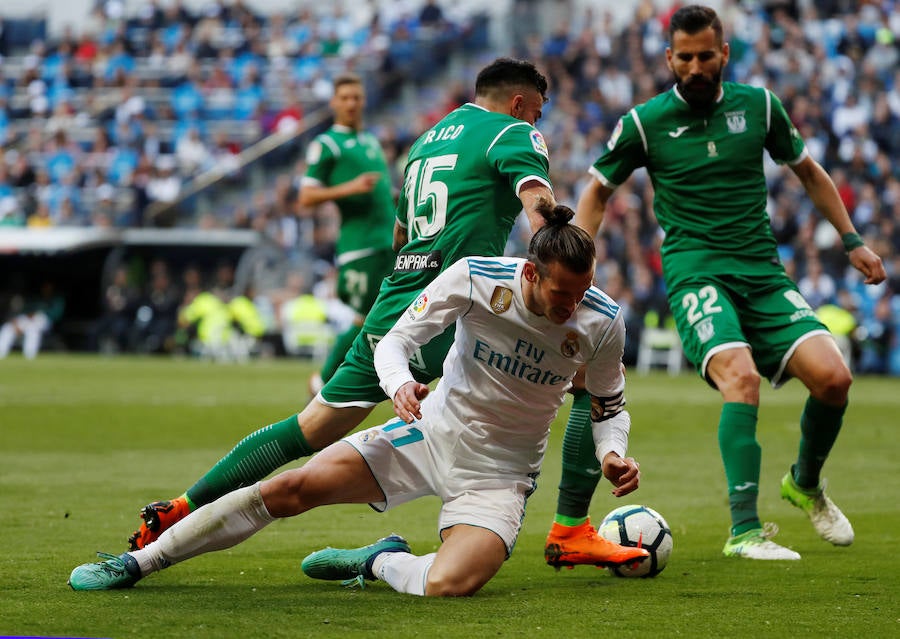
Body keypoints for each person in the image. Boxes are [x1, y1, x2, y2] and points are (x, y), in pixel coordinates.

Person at [127, 58, 637, 570]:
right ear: (519, 104)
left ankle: (183, 506)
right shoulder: (514, 133)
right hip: (458, 306)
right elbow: (539, 207)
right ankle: (570, 528)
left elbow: (400, 235)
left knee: (311, 426)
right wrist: (558, 268)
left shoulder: (428, 140)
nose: (536, 123)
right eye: (537, 114)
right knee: (589, 379)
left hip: (396, 302)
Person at [68, 203, 649, 595]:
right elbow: (395, 342)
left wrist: (611, 455)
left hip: (499, 475)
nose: (572, 305)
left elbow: (608, 407)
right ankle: (140, 562)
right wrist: (398, 385)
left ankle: (378, 560)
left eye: (582, 291)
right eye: (562, 293)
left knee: (450, 585)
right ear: (530, 273)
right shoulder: (476, 277)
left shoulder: (602, 321)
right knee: (291, 489)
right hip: (429, 431)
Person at [571, 5, 886, 560]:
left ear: (723, 54)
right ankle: (744, 532)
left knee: (835, 379)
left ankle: (805, 483)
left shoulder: (759, 106)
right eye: (684, 58)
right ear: (669, 58)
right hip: (696, 272)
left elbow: (809, 172)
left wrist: (852, 239)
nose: (695, 67)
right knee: (741, 377)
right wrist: (575, 262)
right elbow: (597, 190)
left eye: (705, 56)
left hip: (762, 272)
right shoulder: (645, 123)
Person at [298, 72, 396, 395]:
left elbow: (377, 193)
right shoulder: (327, 144)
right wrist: (349, 188)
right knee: (366, 317)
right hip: (360, 246)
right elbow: (306, 197)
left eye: (356, 97)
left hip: (389, 242)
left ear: (364, 101)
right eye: (345, 98)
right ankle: (323, 382)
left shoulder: (370, 141)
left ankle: (359, 381)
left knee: (388, 315)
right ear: (334, 103)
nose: (352, 103)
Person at [0, 280, 65, 359]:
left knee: (32, 329)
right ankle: (1, 353)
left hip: (44, 321)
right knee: (7, 327)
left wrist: (36, 315)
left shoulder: (57, 299)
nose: (46, 289)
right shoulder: (36, 298)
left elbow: (55, 314)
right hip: (27, 319)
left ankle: (29, 355)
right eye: (45, 287)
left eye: (48, 287)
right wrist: (17, 323)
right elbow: (25, 311)